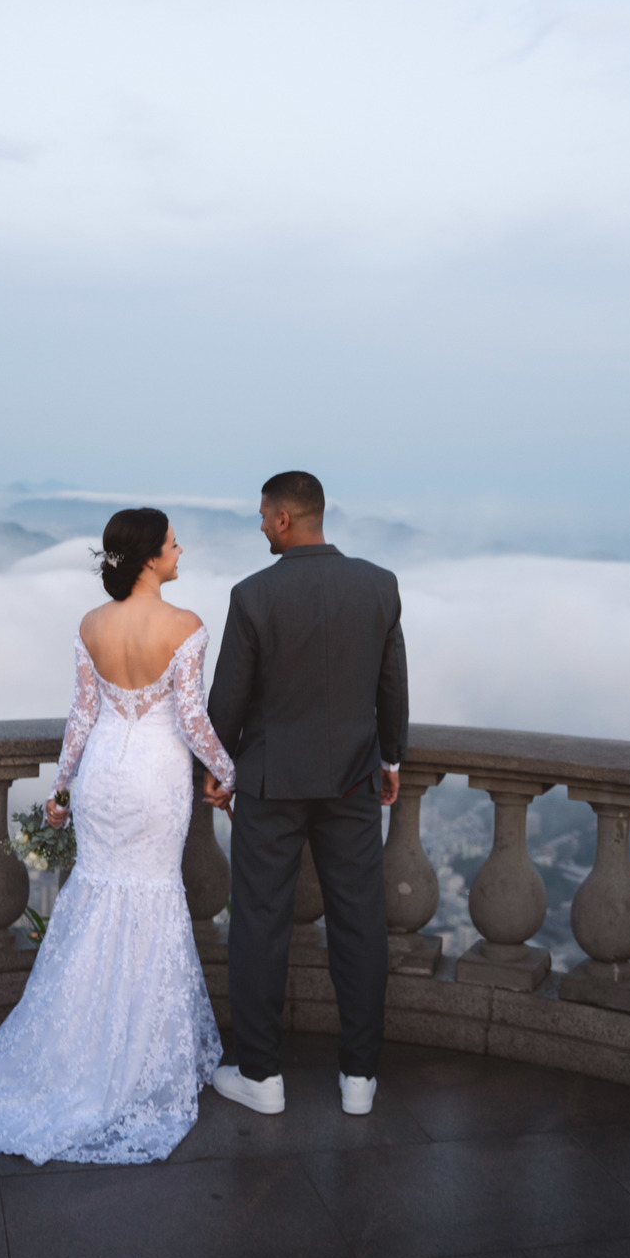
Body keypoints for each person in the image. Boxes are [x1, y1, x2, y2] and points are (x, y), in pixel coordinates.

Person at [0, 507, 236, 1165]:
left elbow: (82, 713)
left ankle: (74, 1050)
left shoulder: (90, 624)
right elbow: (192, 720)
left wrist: (61, 786)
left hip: (103, 772)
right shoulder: (187, 625)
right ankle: (133, 1059)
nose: (179, 548)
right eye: (171, 542)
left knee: (96, 897)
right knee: (151, 898)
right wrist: (229, 773)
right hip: (157, 776)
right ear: (149, 556)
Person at [203, 470, 406, 1117]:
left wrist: (218, 767)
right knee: (360, 921)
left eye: (264, 516)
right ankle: (359, 1077)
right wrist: (391, 756)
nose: (261, 525)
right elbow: (391, 684)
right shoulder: (379, 585)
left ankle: (260, 1076)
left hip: (270, 781)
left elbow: (227, 701)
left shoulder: (253, 595)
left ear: (285, 518)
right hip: (353, 776)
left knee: (259, 923)